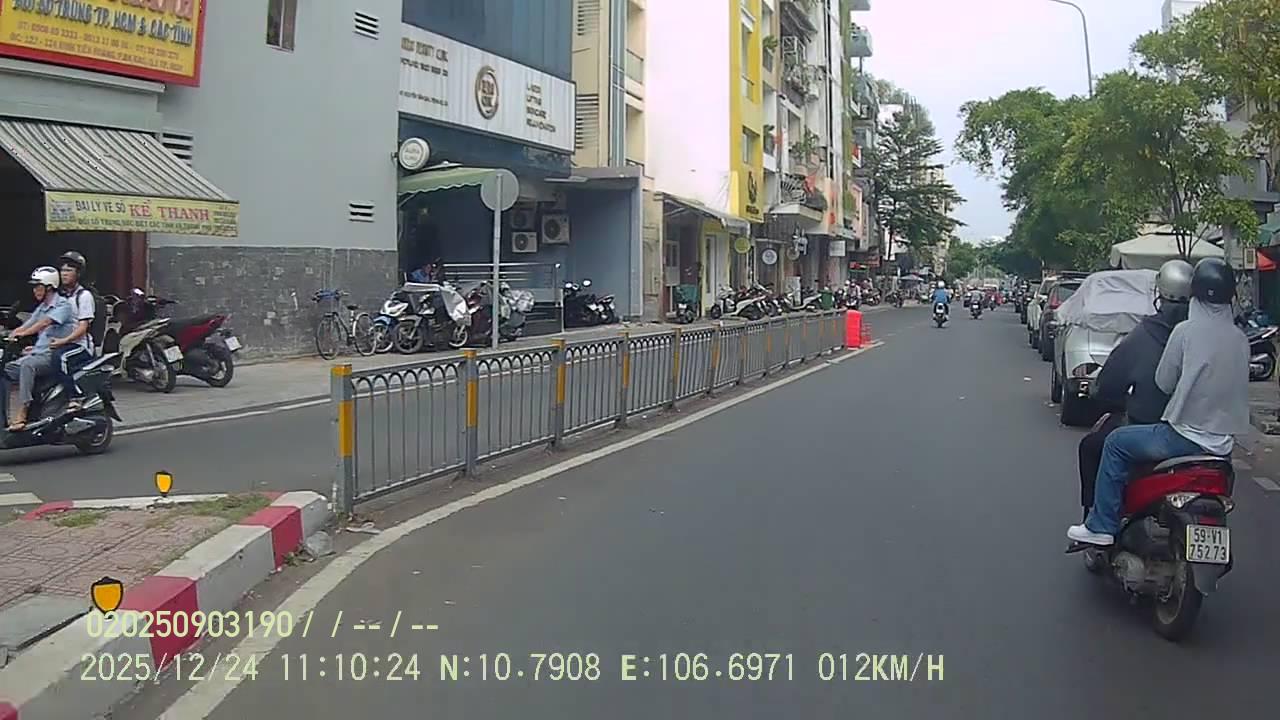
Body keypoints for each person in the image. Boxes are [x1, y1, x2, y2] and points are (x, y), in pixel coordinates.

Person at [1069, 258, 1251, 546]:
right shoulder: (1240, 339)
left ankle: (1101, 525)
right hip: (1222, 447)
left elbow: (1164, 382)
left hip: (1183, 437)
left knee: (1115, 443)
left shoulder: (1183, 332)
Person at [1076, 260, 1193, 522]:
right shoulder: (1212, 334)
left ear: (1160, 293)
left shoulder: (1147, 334)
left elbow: (1110, 384)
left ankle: (1097, 524)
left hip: (1158, 430)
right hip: (1209, 435)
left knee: (1095, 447)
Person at [1, 267, 74, 431]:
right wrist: (9, 335)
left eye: (38, 286)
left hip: (53, 355)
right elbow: (27, 325)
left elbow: (44, 323)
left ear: (49, 287)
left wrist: (23, 334)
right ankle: (3, 417)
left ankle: (23, 410)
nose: (35, 290)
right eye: (34, 287)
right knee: (5, 370)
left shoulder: (63, 305)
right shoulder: (41, 308)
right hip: (38, 353)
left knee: (28, 365)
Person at [48, 251, 95, 410]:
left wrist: (63, 341)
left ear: (78, 273)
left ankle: (76, 396)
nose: (64, 274)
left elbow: (83, 328)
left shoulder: (84, 296)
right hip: (62, 344)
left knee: (60, 358)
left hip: (80, 346)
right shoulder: (60, 297)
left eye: (69, 270)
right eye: (62, 270)